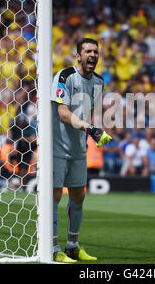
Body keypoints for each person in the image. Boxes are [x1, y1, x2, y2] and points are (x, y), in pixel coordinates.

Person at [50, 38, 111, 263]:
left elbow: (89, 112)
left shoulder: (98, 81)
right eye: (87, 51)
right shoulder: (64, 76)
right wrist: (91, 129)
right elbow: (63, 114)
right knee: (55, 196)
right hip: (56, 147)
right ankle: (53, 247)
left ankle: (72, 246)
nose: (92, 55)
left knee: (79, 195)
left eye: (95, 51)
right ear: (78, 56)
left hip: (78, 148)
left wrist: (90, 131)